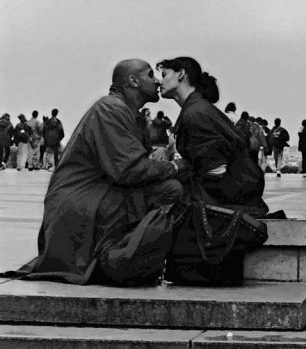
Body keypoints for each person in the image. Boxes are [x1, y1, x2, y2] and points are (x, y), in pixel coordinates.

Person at [10, 59, 181, 283]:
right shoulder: (111, 108)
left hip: (94, 194)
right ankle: (117, 258)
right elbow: (129, 170)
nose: (157, 81)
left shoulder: (123, 110)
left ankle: (122, 256)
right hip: (81, 200)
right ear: (133, 80)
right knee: (171, 189)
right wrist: (175, 166)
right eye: (150, 75)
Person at [157, 56, 268, 218]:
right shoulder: (198, 108)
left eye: (164, 75)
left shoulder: (195, 114)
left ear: (181, 74)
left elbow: (215, 170)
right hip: (243, 191)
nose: (160, 82)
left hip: (232, 197)